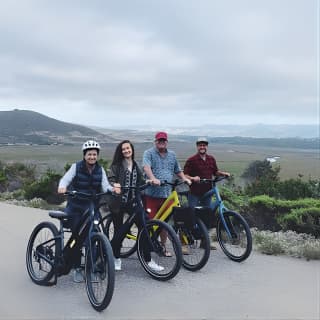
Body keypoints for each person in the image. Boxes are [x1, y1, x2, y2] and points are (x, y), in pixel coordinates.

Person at [57, 140, 120, 282]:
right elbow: (65, 180)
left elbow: (105, 186)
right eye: (89, 154)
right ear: (84, 155)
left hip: (92, 207)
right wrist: (62, 188)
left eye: (94, 154)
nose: (92, 157)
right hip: (76, 207)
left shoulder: (100, 169)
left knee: (93, 237)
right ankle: (77, 268)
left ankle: (90, 267)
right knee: (77, 238)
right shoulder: (76, 167)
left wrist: (113, 190)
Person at [108, 140, 164, 272]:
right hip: (117, 202)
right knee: (118, 231)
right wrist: (114, 185)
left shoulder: (135, 165)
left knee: (145, 225)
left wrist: (150, 181)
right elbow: (111, 179)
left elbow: (141, 180)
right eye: (124, 149)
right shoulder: (116, 165)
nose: (126, 151)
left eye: (128, 148)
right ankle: (115, 257)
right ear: (120, 152)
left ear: (131, 149)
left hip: (131, 201)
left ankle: (148, 259)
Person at [142, 132, 191, 254]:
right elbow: (146, 167)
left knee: (165, 223)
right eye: (159, 140)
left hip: (167, 194)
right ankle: (145, 248)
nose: (161, 142)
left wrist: (184, 178)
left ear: (167, 142)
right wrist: (152, 178)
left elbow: (177, 170)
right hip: (151, 194)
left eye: (163, 140)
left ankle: (162, 247)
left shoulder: (172, 155)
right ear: (155, 142)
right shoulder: (149, 153)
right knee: (150, 223)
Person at [183, 137, 230, 249]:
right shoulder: (192, 160)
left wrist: (223, 174)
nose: (202, 147)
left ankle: (204, 242)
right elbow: (184, 175)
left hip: (207, 192)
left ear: (206, 147)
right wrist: (193, 178)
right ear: (197, 146)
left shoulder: (211, 159)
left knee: (207, 217)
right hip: (194, 192)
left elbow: (215, 172)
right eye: (200, 145)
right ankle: (185, 240)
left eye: (204, 145)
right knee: (191, 215)